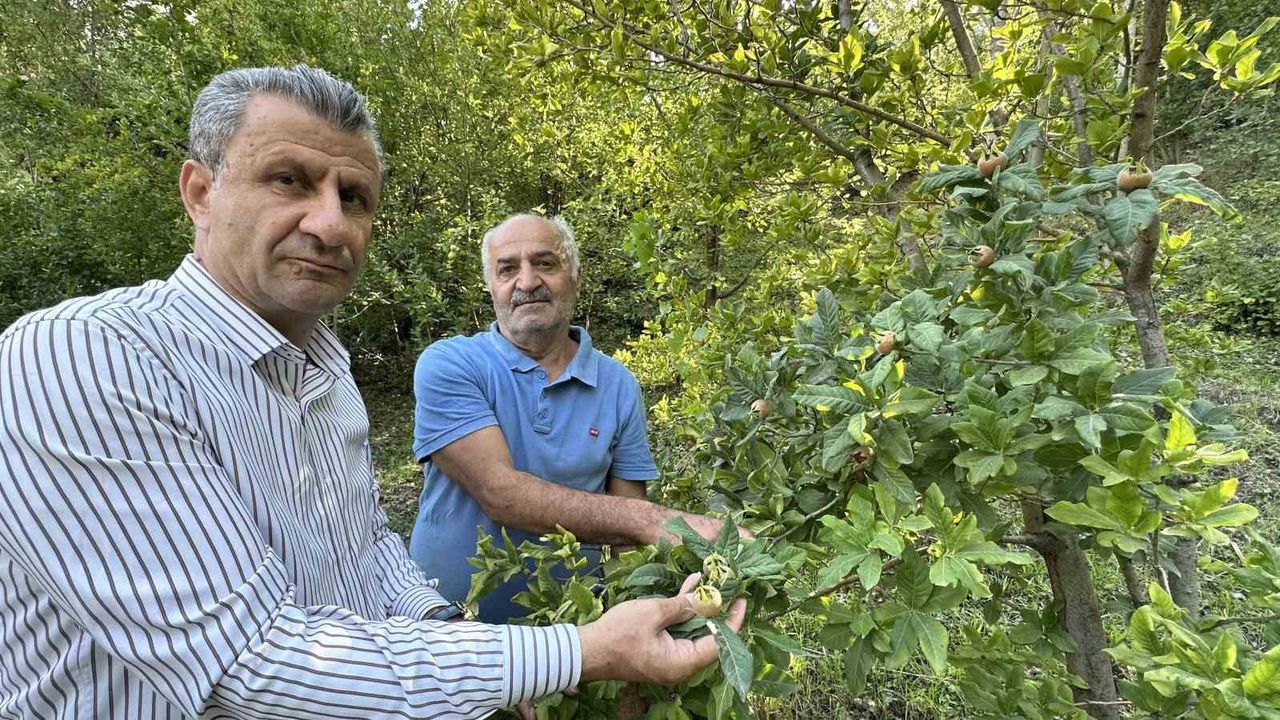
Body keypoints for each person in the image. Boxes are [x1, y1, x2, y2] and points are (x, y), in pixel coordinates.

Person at [0, 65, 743, 719]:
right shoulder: (84, 357)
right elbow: (244, 661)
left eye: (353, 197)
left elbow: (362, 550)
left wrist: (451, 633)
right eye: (288, 179)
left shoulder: (327, 375)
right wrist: (569, 652)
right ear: (200, 192)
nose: (329, 224)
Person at [410, 213, 733, 622]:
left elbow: (627, 536)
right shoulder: (450, 363)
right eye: (507, 269)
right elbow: (501, 493)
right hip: (449, 631)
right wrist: (661, 522)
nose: (527, 282)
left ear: (575, 279)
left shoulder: (617, 384)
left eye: (545, 263)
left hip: (574, 634)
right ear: (490, 286)